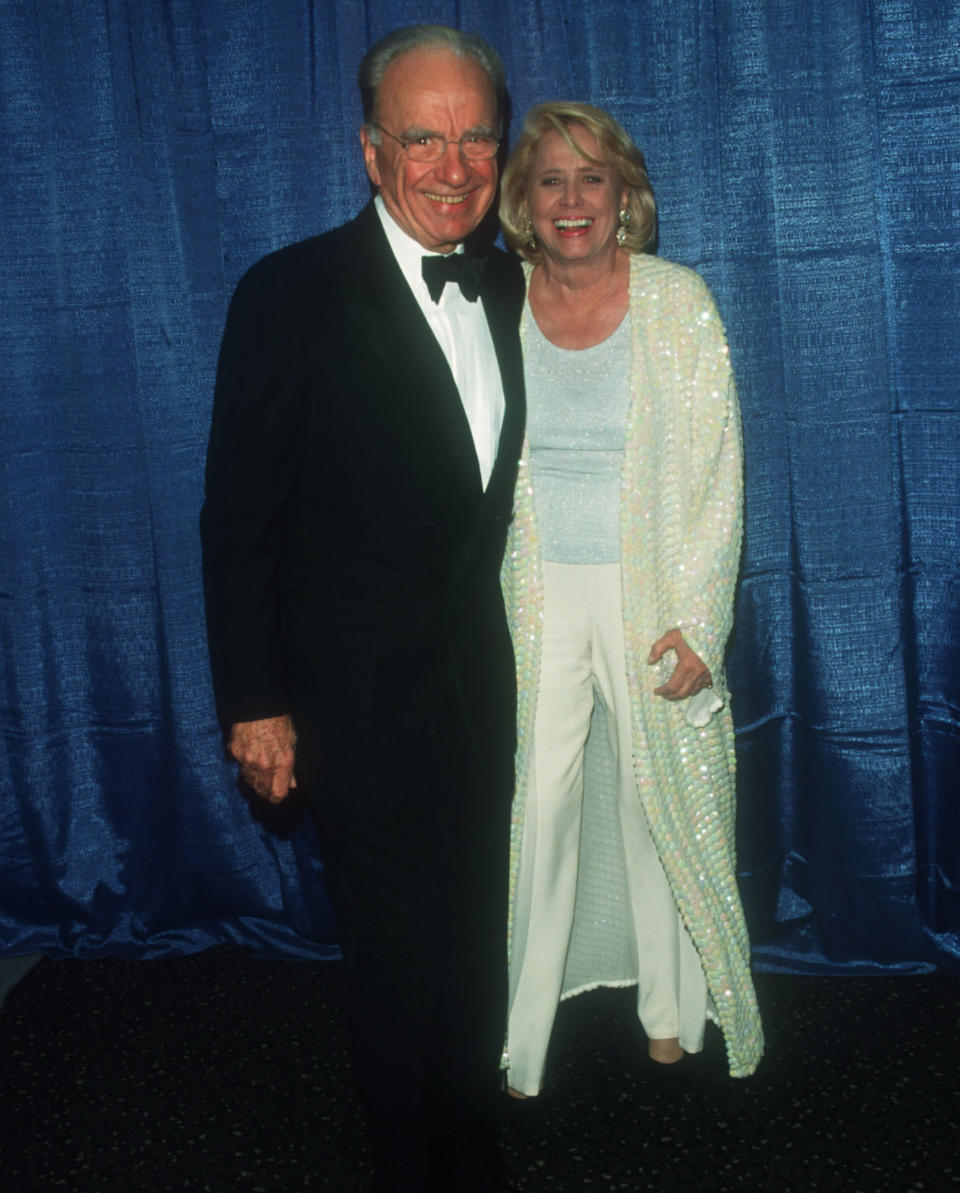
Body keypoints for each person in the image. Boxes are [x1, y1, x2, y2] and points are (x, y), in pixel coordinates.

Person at [200, 26, 525, 1193]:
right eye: (421, 137)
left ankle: (472, 1148)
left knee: (475, 946)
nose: (452, 164)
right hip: (348, 705)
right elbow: (239, 521)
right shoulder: (288, 294)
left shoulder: (507, 285)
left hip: (480, 691)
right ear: (370, 152)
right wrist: (256, 704)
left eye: (475, 135)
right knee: (396, 961)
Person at [497, 102, 763, 1098]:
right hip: (523, 597)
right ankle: (521, 1039)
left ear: (626, 196)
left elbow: (715, 470)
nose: (573, 200)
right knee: (536, 808)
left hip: (647, 593)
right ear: (524, 198)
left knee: (660, 805)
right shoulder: (492, 298)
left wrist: (698, 618)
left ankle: (673, 1012)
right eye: (552, 180)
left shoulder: (676, 301)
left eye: (592, 179)